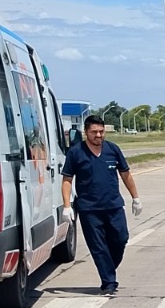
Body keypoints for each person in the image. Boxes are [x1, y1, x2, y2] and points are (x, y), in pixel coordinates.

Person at [60, 114, 140, 296]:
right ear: (86, 132)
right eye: (94, 132)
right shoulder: (76, 152)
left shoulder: (113, 149)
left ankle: (108, 268)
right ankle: (109, 282)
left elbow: (125, 174)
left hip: (114, 206)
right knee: (98, 246)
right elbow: (67, 180)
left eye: (101, 132)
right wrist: (67, 206)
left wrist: (135, 197)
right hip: (89, 209)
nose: (98, 135)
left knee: (121, 239)